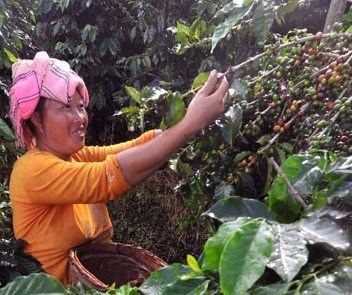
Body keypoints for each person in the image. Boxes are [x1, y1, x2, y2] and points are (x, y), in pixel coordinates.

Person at [8, 51, 229, 285]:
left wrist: (181, 121)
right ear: (36, 119)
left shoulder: (76, 157)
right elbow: (108, 178)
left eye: (81, 106)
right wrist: (189, 125)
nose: (79, 117)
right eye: (65, 107)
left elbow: (134, 148)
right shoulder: (31, 170)